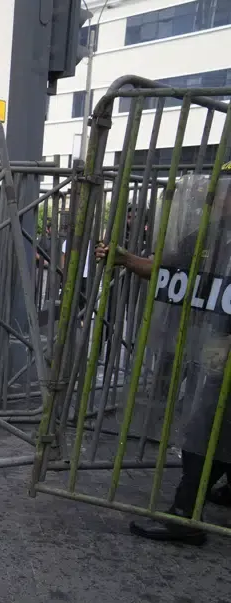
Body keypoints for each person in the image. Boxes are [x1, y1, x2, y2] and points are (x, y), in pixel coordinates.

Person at [94, 167, 231, 545]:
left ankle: (185, 516)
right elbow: (163, 268)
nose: (216, 199)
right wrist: (124, 259)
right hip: (215, 343)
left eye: (223, 193)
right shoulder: (206, 235)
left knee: (206, 427)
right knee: (212, 423)